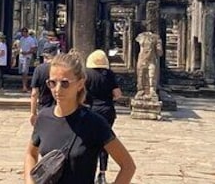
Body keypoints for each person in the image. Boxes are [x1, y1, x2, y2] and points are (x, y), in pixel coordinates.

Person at [24, 51, 136, 184]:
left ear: (80, 84)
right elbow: (30, 154)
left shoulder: (94, 123)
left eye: (65, 83)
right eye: (52, 83)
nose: (57, 90)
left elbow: (128, 166)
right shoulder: (43, 118)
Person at [85, 50, 123, 184]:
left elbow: (81, 94)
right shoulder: (109, 75)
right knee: (105, 142)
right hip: (107, 110)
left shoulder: (86, 75)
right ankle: (102, 173)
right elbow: (118, 94)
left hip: (91, 110)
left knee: (89, 142)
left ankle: (88, 171)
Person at [29, 42, 60, 126]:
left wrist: (33, 112)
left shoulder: (39, 69)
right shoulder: (61, 68)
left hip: (44, 107)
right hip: (59, 107)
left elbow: (34, 93)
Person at [18, 27, 38, 92]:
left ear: (26, 32)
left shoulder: (31, 40)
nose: (22, 33)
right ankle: (23, 85)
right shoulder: (21, 39)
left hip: (27, 57)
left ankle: (25, 86)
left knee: (25, 72)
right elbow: (20, 46)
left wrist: (27, 52)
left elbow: (34, 49)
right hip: (21, 56)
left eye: (23, 32)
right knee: (22, 72)